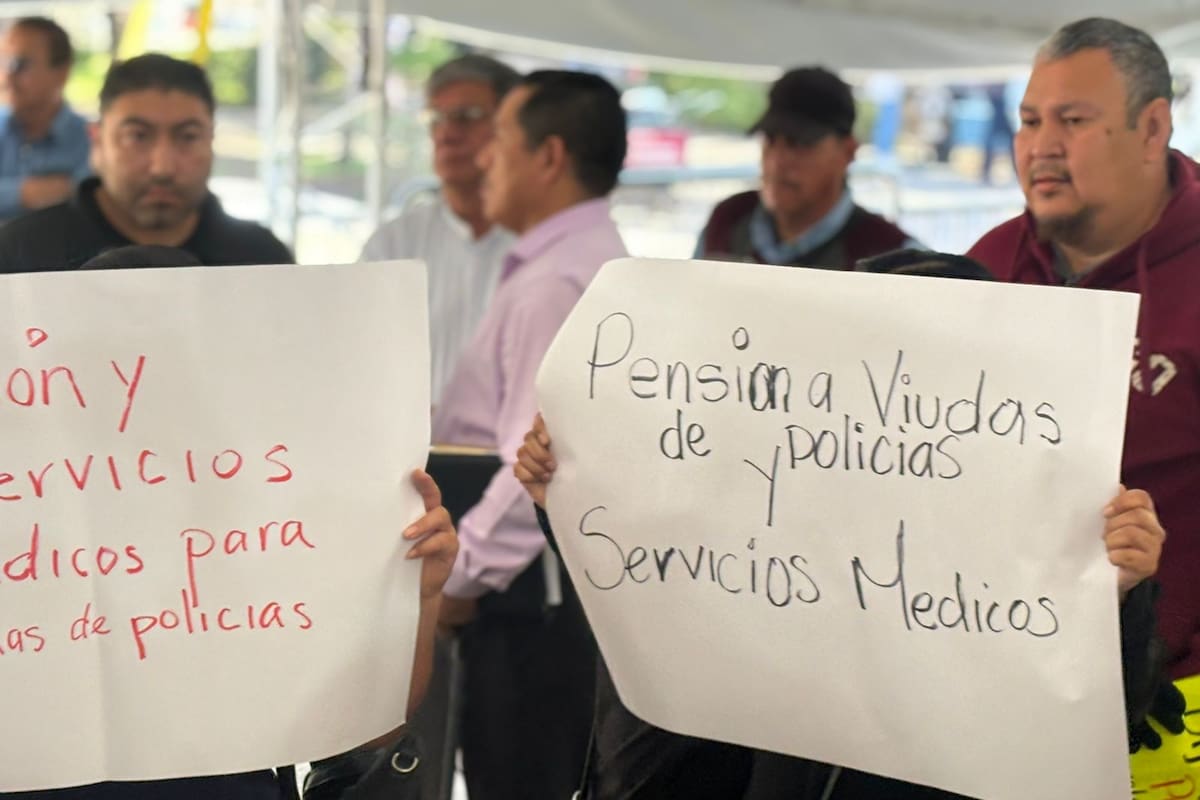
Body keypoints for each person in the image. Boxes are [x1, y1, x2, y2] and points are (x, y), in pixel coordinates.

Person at [513, 248, 1171, 800]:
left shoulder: (1062, 518)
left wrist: (1117, 593)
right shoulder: (781, 490)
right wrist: (567, 496)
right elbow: (661, 586)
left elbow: (1107, 710)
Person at [0, 243, 460, 800]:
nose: (138, 399)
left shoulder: (280, 528)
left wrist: (420, 597)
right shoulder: (23, 519)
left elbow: (363, 738)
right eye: (115, 367)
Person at [967, 18, 1200, 692]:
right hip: (998, 670)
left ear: (1152, 129)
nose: (1041, 147)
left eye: (1071, 120)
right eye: (1030, 120)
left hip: (1169, 693)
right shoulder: (987, 263)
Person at [431, 69, 628, 799]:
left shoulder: (556, 280)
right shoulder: (577, 262)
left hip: (524, 603)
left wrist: (460, 579)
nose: (482, 157)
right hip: (535, 595)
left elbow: (536, 463)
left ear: (548, 157)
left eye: (500, 141)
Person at [0, 53, 291, 272]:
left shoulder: (260, 259)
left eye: (188, 137)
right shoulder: (20, 255)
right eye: (137, 136)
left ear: (211, 139)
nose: (162, 167)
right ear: (97, 139)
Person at [361, 54, 519, 407]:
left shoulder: (541, 244)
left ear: (512, 127)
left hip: (523, 457)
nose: (447, 133)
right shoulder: (394, 244)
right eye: (436, 119)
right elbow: (357, 359)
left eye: (467, 117)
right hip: (413, 456)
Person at [695, 66, 918, 268]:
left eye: (800, 144)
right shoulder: (726, 222)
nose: (777, 161)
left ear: (848, 152)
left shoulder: (893, 257)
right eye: (770, 141)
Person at [0, 16, 90, 220]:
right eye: (2, 62)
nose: (6, 77)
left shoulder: (92, 141)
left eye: (20, 64)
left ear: (62, 72)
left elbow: (98, 202)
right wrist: (24, 193)